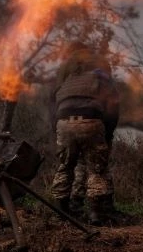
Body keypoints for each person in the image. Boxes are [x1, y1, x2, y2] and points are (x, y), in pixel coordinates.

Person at [50, 48, 121, 226]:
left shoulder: (67, 81)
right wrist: (108, 133)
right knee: (96, 169)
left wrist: (58, 130)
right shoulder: (101, 80)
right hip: (91, 120)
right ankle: (96, 214)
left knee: (65, 167)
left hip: (63, 122)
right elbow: (113, 109)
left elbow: (54, 108)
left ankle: (62, 212)